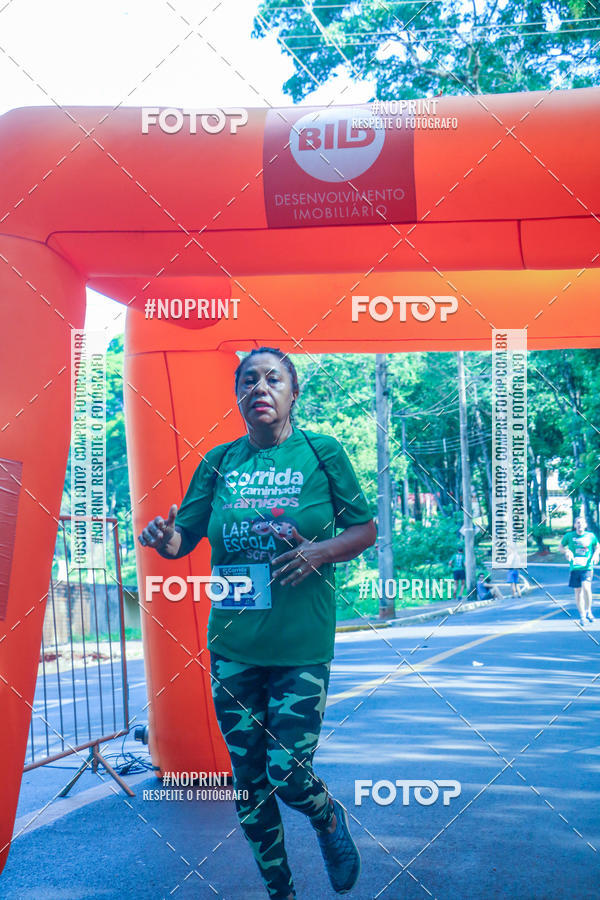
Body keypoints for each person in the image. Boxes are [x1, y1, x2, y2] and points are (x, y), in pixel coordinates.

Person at [138, 347, 377, 900]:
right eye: (249, 380)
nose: (260, 387)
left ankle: (327, 817)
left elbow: (364, 530)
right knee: (249, 783)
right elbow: (183, 540)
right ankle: (280, 892)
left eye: (274, 379)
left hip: (300, 646)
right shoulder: (219, 463)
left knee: (289, 775)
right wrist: (162, 538)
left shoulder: (323, 453)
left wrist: (320, 551)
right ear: (238, 396)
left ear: (294, 393)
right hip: (234, 646)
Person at [560, 515, 599, 626]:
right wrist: (567, 551)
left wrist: (596, 555)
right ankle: (582, 615)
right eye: (578, 523)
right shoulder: (569, 536)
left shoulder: (590, 536)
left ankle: (589, 611)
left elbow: (597, 546)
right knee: (578, 591)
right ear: (574, 525)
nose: (580, 525)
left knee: (586, 588)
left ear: (585, 525)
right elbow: (560, 547)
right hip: (575, 567)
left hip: (587, 567)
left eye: (582, 523)